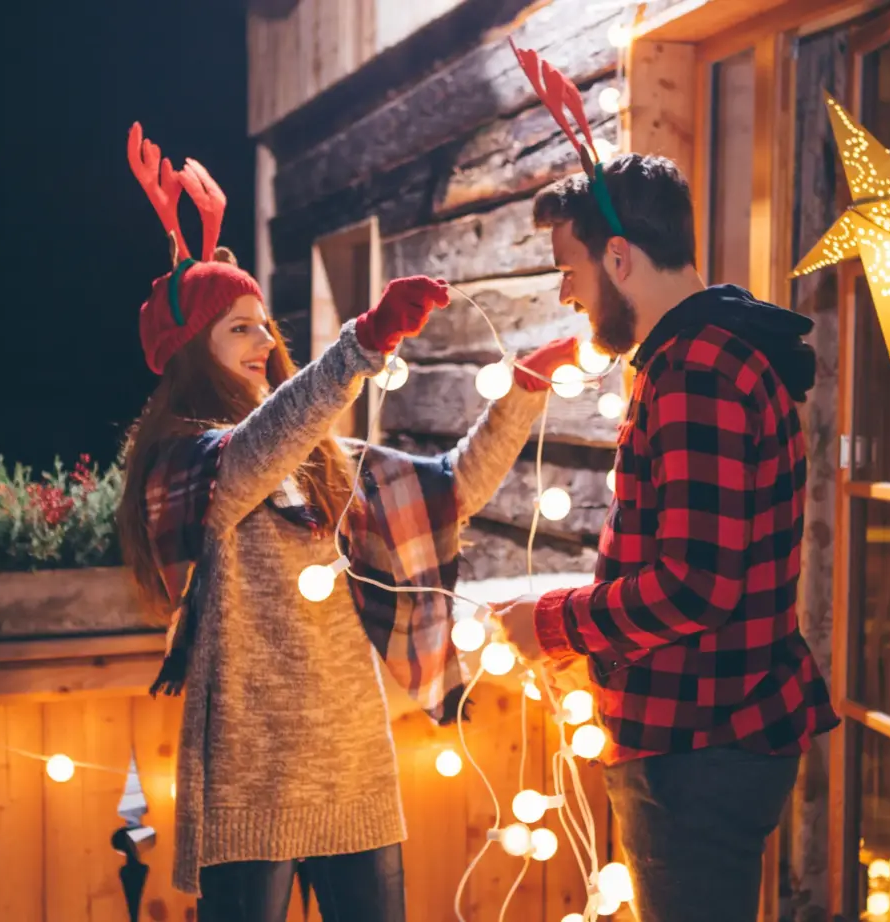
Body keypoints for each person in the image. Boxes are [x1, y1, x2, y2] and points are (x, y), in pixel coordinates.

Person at [115, 123, 577, 921]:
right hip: (250, 784)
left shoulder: (316, 458)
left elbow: (448, 491)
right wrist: (361, 345)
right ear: (192, 352)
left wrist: (524, 392)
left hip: (354, 768)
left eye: (265, 325)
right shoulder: (185, 467)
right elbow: (253, 448)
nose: (264, 341)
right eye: (239, 328)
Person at [491, 151, 840, 922]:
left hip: (698, 746)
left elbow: (695, 587)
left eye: (569, 267)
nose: (566, 292)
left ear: (618, 257)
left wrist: (553, 623)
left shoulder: (697, 372)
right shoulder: (709, 350)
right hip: (716, 731)